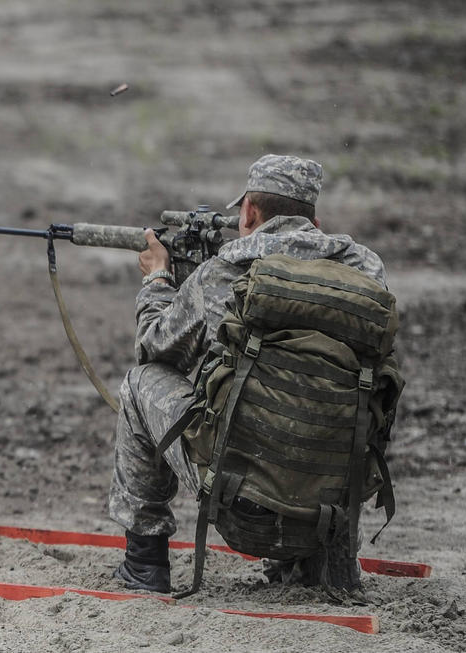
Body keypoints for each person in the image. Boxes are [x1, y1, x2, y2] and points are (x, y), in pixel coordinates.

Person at [108, 154, 390, 593]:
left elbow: (154, 348)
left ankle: (145, 564)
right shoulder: (367, 273)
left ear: (249, 213)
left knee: (139, 381)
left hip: (239, 504)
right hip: (327, 511)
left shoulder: (222, 274)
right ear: (314, 220)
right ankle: (325, 565)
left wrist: (160, 282)